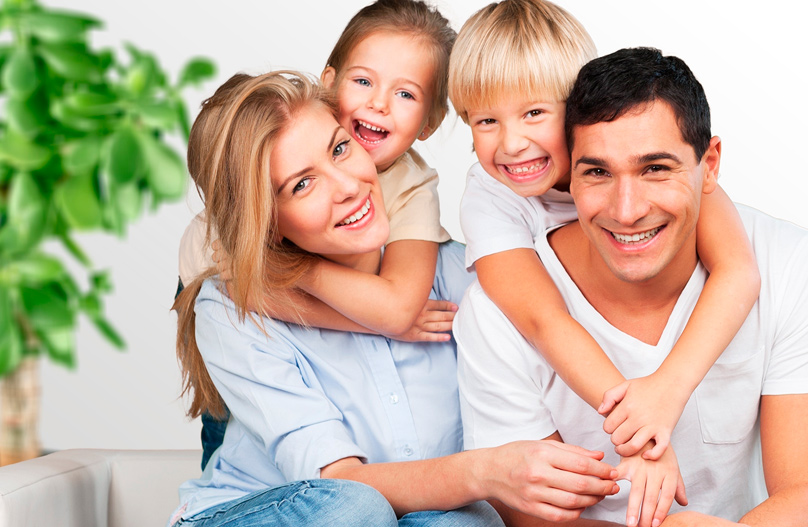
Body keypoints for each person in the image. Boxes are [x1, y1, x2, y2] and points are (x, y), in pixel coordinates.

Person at [170, 71, 621, 526]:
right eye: (302, 184)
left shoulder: (466, 275)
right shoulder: (232, 310)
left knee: (460, 523)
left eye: (341, 149)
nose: (348, 186)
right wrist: (485, 471)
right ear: (264, 220)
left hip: (412, 514)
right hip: (263, 512)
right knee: (351, 507)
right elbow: (339, 480)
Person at [456, 47, 808, 526]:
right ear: (567, 172)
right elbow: (530, 521)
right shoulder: (498, 313)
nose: (627, 210)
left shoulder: (785, 262)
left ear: (711, 164)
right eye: (598, 172)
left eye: (655, 169)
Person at [179, 0, 457, 342]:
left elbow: (398, 308)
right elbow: (241, 295)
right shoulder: (271, 150)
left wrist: (289, 271)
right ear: (330, 84)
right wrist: (379, 325)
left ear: (428, 124)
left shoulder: (412, 185)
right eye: (363, 81)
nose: (379, 104)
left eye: (405, 94)